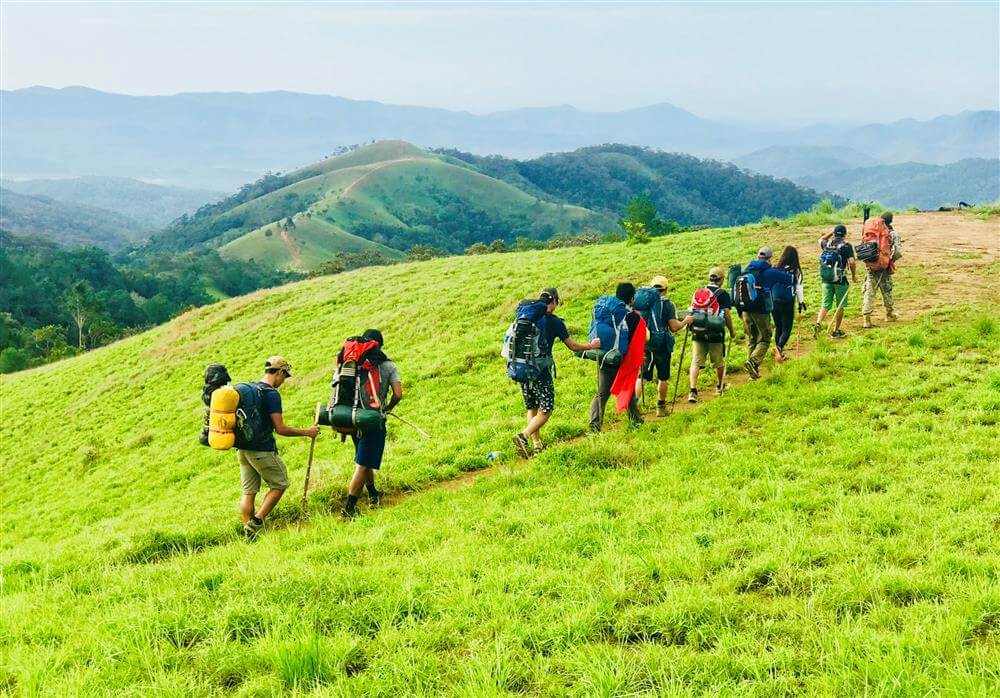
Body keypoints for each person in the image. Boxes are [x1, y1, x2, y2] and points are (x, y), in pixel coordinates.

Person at [237, 356, 319, 539]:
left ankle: (248, 532)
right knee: (280, 483)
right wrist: (307, 432)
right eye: (285, 376)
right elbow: (280, 428)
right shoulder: (271, 394)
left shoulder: (250, 389)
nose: (284, 381)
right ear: (280, 372)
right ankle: (257, 522)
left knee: (248, 492)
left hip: (243, 449)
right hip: (261, 449)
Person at [512, 288, 597, 458]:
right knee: (546, 409)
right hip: (541, 371)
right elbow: (572, 346)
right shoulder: (554, 321)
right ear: (555, 302)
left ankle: (537, 446)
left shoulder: (526, 317)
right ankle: (524, 436)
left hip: (522, 368)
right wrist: (590, 346)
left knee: (532, 406)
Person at [341, 329, 402, 518]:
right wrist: (388, 408)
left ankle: (373, 494)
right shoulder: (389, 366)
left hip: (353, 418)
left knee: (363, 458)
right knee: (363, 464)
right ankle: (349, 509)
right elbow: (398, 394)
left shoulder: (353, 363)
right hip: (373, 420)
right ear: (379, 345)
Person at [589, 282, 644, 431]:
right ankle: (635, 420)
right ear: (632, 298)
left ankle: (594, 424)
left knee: (602, 393)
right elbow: (635, 340)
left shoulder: (610, 312)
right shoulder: (632, 317)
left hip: (604, 356)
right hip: (621, 358)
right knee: (628, 388)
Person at [637, 275, 693, 416]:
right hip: (661, 344)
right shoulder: (667, 304)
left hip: (645, 343)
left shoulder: (642, 302)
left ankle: (633, 406)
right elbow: (674, 327)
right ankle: (661, 408)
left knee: (642, 377)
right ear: (665, 289)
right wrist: (686, 321)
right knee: (663, 377)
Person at [741, 248, 792, 380]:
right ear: (769, 258)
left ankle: (752, 373)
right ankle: (752, 362)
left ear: (757, 256)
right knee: (764, 338)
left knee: (752, 339)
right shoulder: (770, 272)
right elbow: (789, 279)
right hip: (760, 310)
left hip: (745, 310)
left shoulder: (746, 270)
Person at [688, 268, 735, 401]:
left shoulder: (699, 292)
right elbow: (726, 314)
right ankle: (719, 386)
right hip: (715, 332)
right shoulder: (723, 294)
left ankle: (692, 390)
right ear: (721, 279)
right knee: (718, 362)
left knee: (696, 361)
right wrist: (731, 330)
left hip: (698, 330)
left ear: (709, 278)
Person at [813, 224, 857, 338]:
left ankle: (818, 323)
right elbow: (851, 262)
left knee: (825, 304)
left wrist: (831, 233)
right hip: (840, 280)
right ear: (845, 234)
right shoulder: (846, 246)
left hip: (826, 279)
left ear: (835, 233)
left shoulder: (827, 244)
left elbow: (821, 239)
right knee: (840, 305)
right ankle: (836, 330)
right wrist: (853, 275)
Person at [862, 211, 899, 328]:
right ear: (891, 221)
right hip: (884, 267)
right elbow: (897, 251)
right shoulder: (892, 233)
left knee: (869, 291)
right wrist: (889, 260)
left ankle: (866, 319)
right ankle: (889, 314)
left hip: (871, 265)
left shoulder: (871, 230)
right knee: (887, 289)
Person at [770, 246, 806, 362]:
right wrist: (801, 303)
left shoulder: (776, 268)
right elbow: (799, 288)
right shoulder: (796, 270)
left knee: (778, 327)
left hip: (774, 301)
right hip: (787, 301)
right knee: (786, 328)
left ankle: (779, 352)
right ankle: (779, 348)